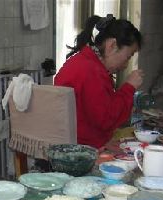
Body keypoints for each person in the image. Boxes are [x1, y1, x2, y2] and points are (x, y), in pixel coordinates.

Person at [54, 14, 144, 148]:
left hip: (76, 144)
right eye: (128, 56)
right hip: (81, 151)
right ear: (112, 45)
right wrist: (129, 87)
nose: (126, 65)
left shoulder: (83, 61)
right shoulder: (90, 70)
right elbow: (107, 120)